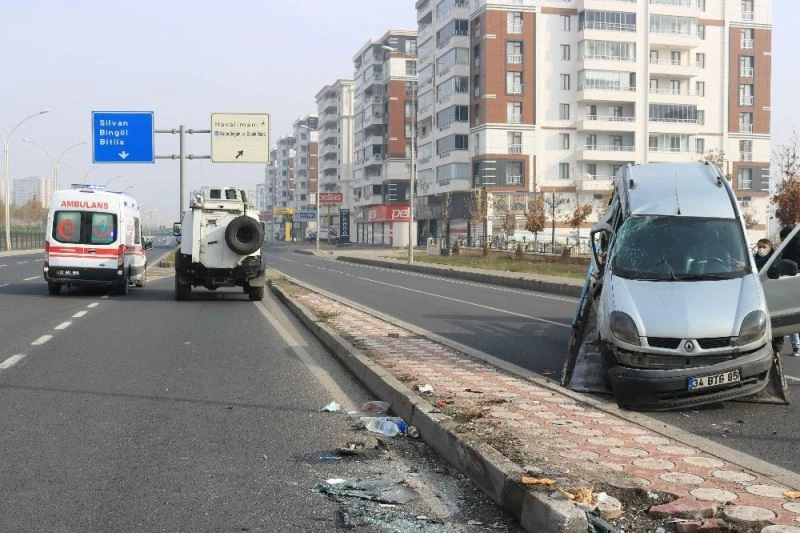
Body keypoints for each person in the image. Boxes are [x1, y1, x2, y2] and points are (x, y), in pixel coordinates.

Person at [778, 226, 800, 356]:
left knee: (791, 314)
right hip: (793, 283)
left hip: (791, 284)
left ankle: (796, 347)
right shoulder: (792, 246)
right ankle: (796, 346)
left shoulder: (790, 248)